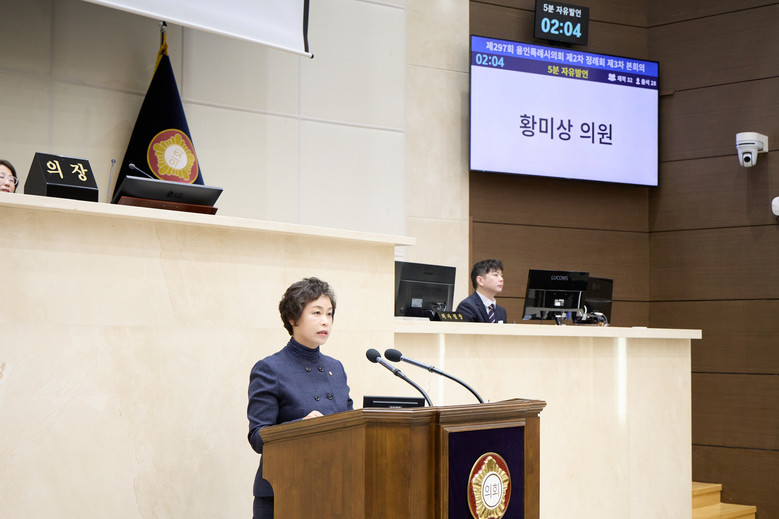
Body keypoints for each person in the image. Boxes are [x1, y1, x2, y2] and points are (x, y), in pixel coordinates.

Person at [247, 277, 353, 519]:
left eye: (329, 313)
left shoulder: (335, 368)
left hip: (333, 488)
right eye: (316, 313)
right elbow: (257, 437)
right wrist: (301, 427)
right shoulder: (269, 368)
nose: (325, 321)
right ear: (293, 318)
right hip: (284, 491)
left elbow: (349, 426)